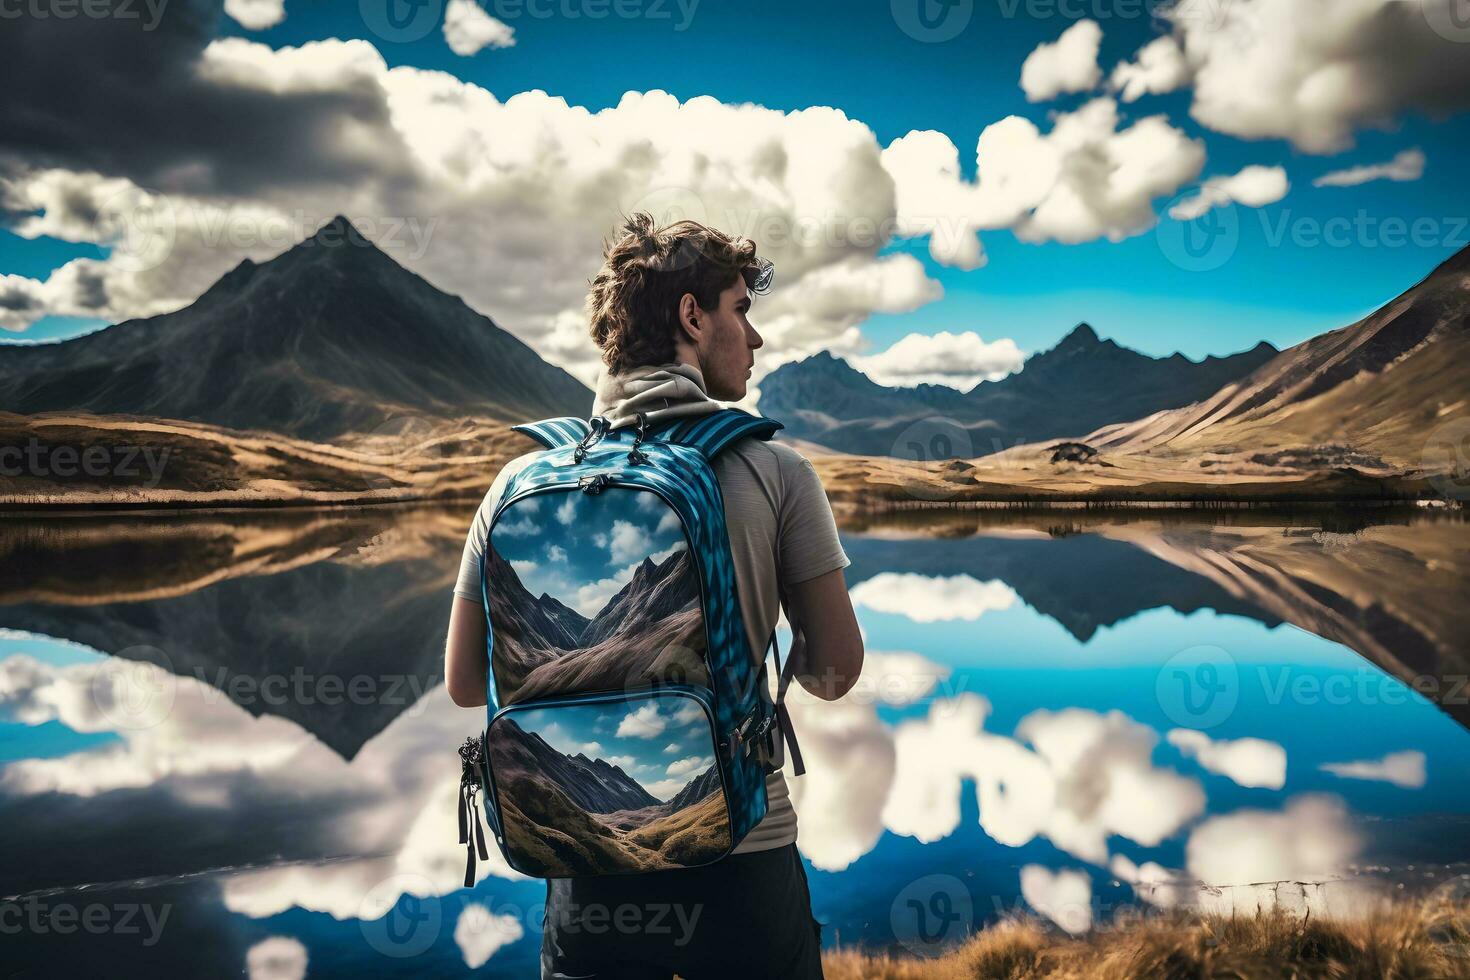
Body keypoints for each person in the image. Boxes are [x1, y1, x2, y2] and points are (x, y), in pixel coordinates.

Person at [443, 212, 864, 979]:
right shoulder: (775, 473)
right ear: (692, 316)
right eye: (742, 310)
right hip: (746, 858)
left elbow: (467, 683)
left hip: (589, 885)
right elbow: (836, 672)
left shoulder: (518, 483)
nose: (756, 338)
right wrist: (776, 661)